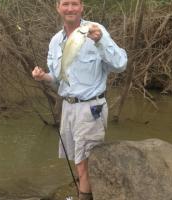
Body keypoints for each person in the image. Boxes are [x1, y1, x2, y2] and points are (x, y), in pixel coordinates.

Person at [32, 0, 127, 199]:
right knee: (77, 161)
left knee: (86, 163)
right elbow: (58, 80)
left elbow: (120, 64)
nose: (70, 8)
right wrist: (43, 77)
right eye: (65, 4)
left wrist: (100, 41)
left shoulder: (95, 30)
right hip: (68, 107)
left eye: (74, 3)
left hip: (91, 108)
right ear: (58, 7)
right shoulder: (55, 41)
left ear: (82, 7)